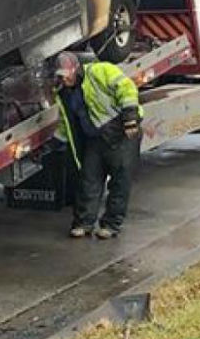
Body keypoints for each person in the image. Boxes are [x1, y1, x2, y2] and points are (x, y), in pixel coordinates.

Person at [52, 51, 142, 239]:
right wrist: (58, 141)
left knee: (120, 181)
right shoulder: (64, 93)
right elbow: (66, 121)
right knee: (89, 180)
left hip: (121, 133)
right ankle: (83, 223)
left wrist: (130, 117)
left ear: (75, 69)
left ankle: (111, 225)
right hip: (95, 139)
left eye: (66, 74)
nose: (64, 79)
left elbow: (126, 87)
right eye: (60, 75)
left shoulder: (100, 71)